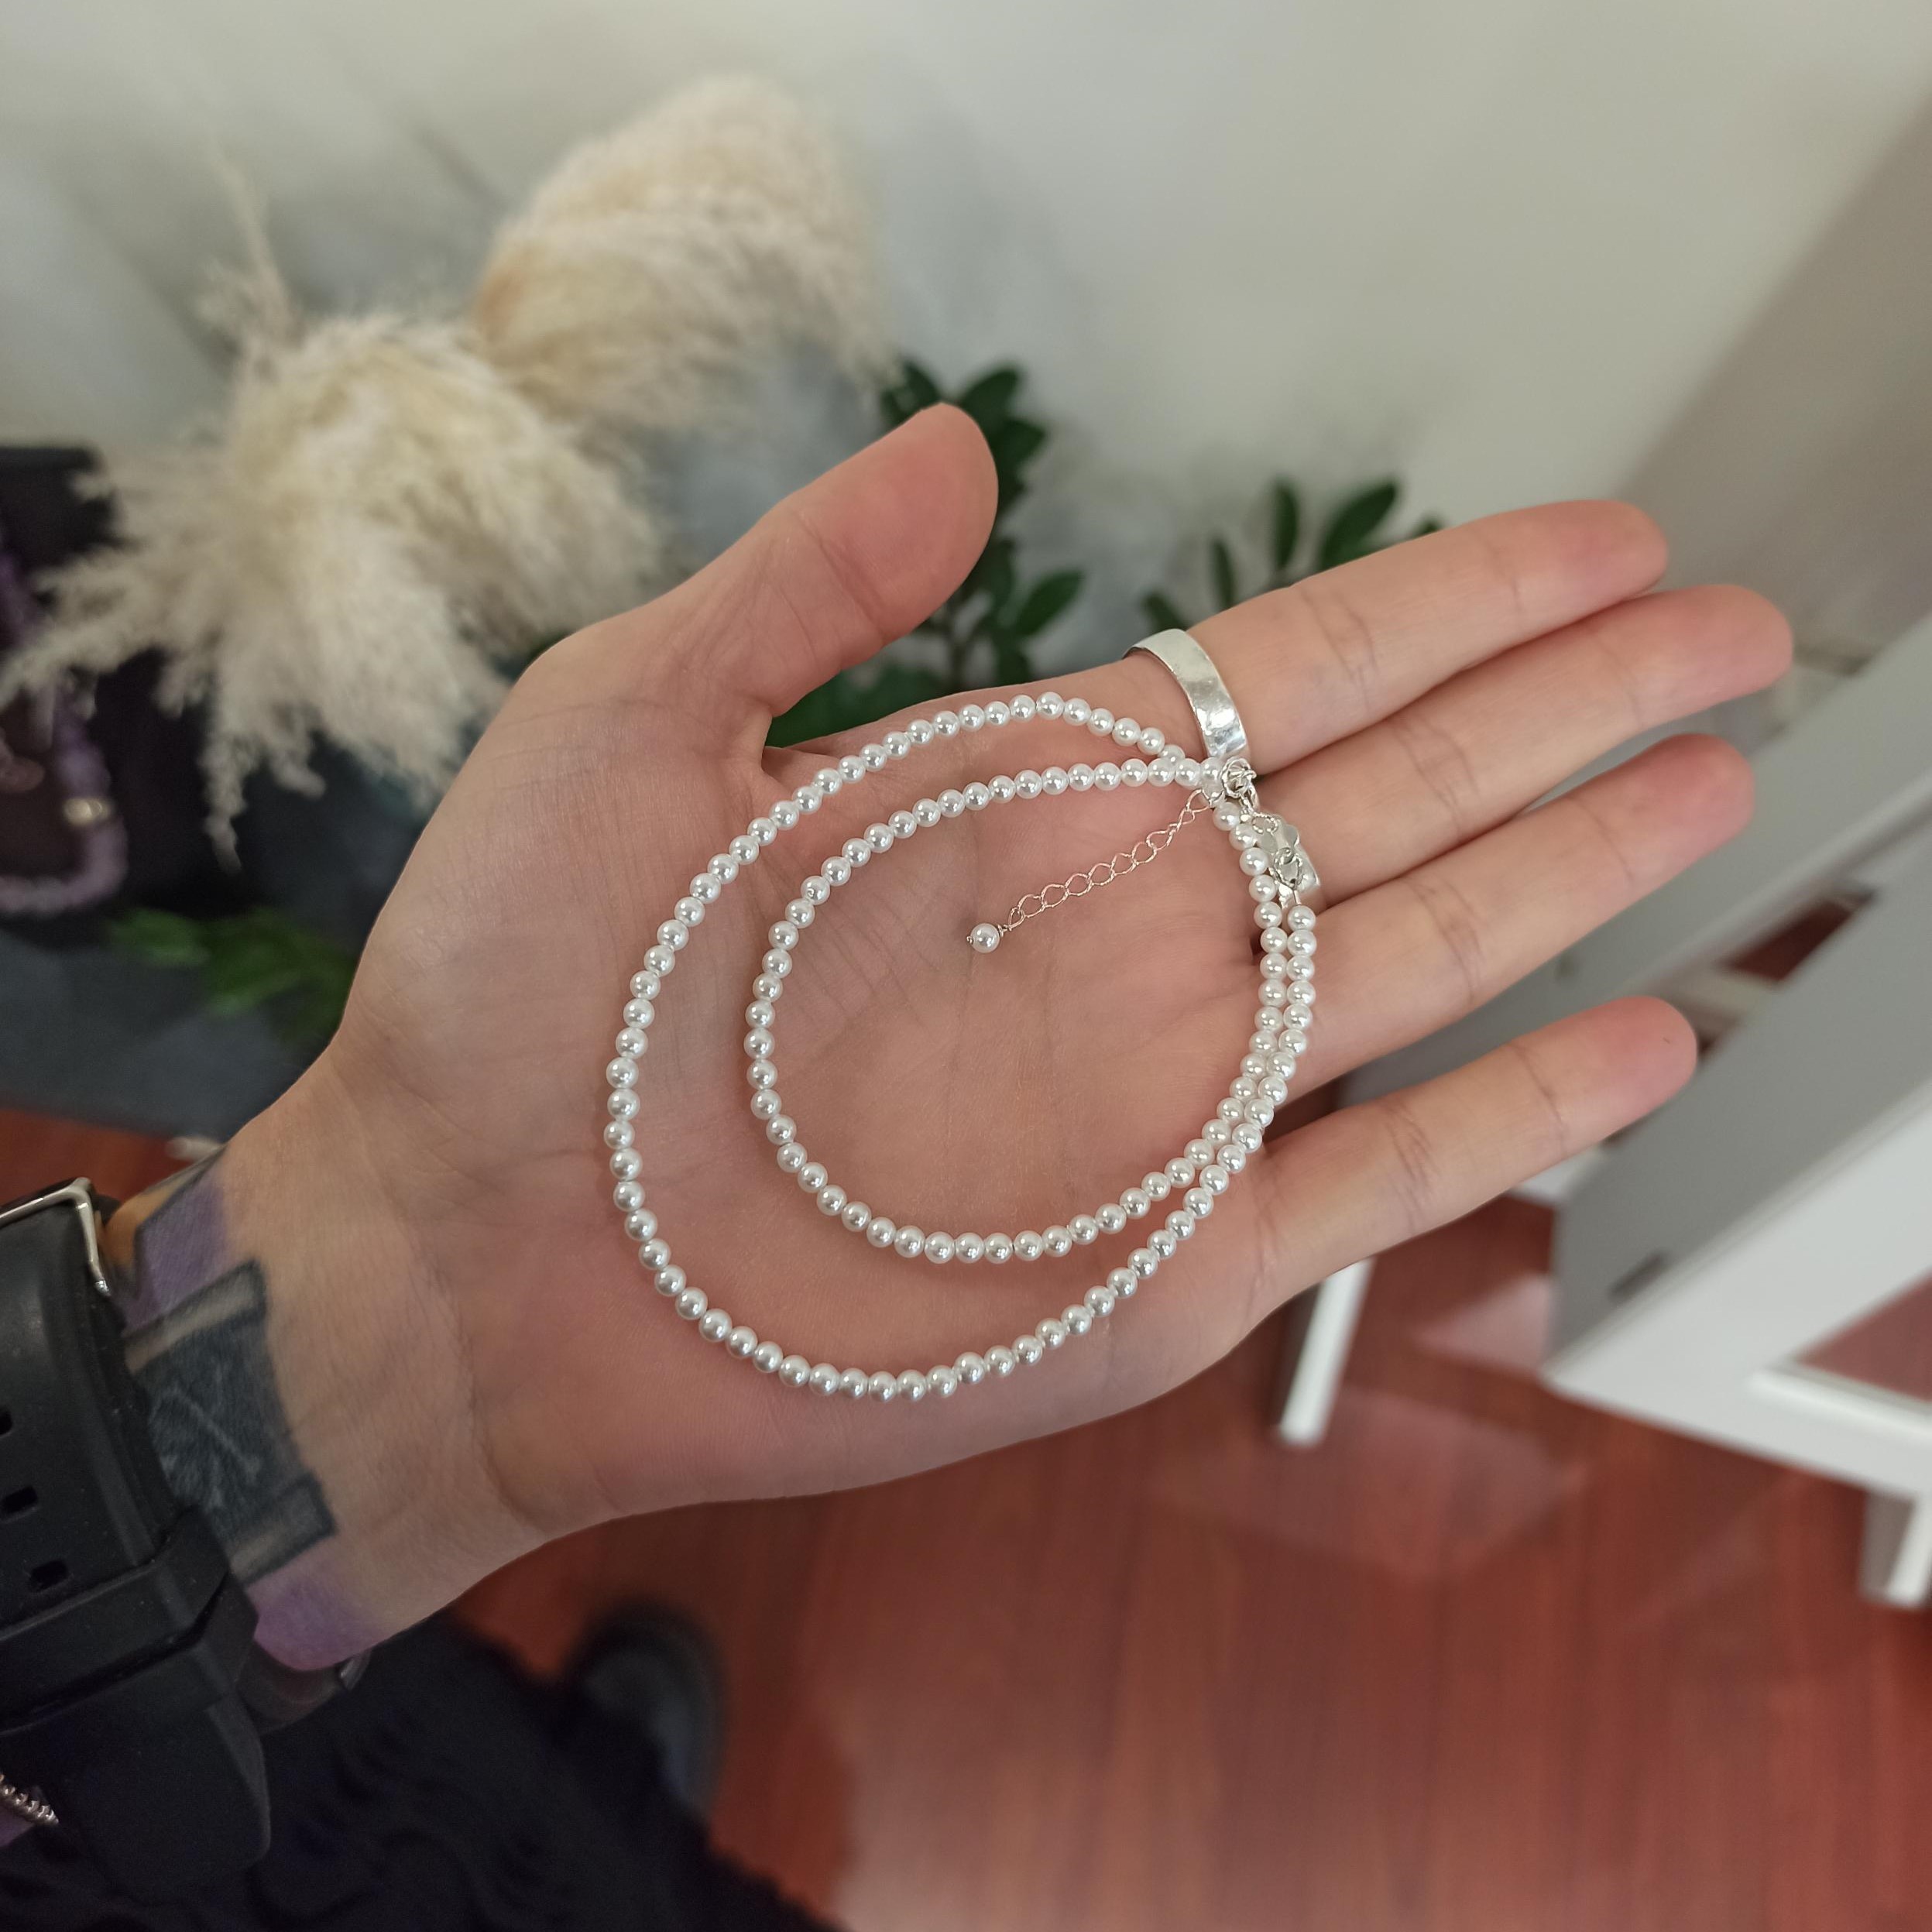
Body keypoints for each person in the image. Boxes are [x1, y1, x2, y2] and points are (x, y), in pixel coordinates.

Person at [0, 403, 1790, 1917]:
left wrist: (285, 1426)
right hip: (141, 1778)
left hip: (157, 1733)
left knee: (537, 1839)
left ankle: (585, 1776)